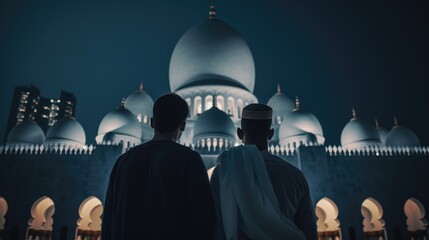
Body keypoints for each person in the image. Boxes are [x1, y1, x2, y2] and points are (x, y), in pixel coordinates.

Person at [102, 93, 215, 240]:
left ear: (152, 122)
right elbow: (203, 221)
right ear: (183, 125)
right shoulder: (189, 160)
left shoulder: (123, 162)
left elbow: (108, 221)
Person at [210, 103, 317, 240]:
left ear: (239, 133)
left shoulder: (223, 172)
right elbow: (309, 231)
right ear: (271, 134)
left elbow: (216, 225)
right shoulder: (295, 175)